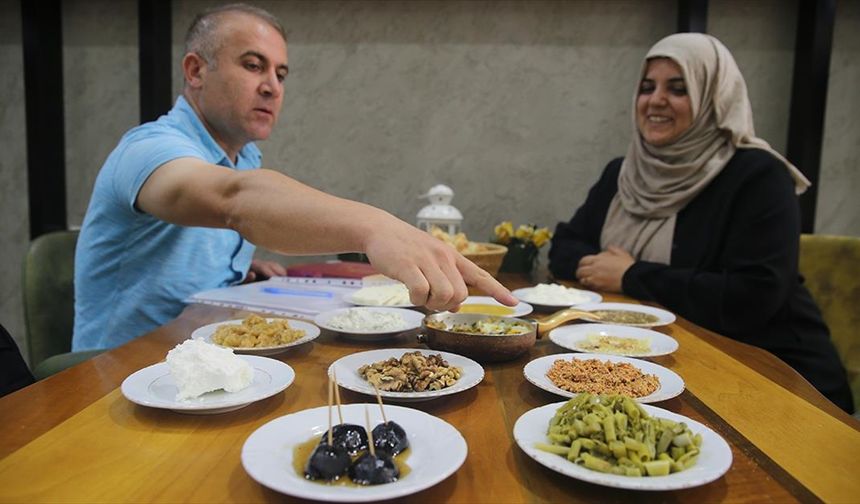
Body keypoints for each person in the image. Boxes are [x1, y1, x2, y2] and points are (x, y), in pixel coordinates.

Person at [73, 4, 515, 352]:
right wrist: (374, 227)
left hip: (205, 357)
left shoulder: (245, 157)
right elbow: (233, 200)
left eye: (280, 74)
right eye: (252, 65)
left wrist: (238, 270)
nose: (272, 86)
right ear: (195, 71)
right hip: (120, 374)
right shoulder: (147, 148)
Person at [548, 33, 853, 413]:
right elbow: (564, 246)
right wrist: (600, 267)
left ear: (714, 97)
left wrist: (631, 275)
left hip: (774, 377)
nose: (656, 100)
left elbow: (753, 296)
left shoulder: (759, 176)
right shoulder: (623, 173)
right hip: (651, 365)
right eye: (647, 87)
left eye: (679, 89)